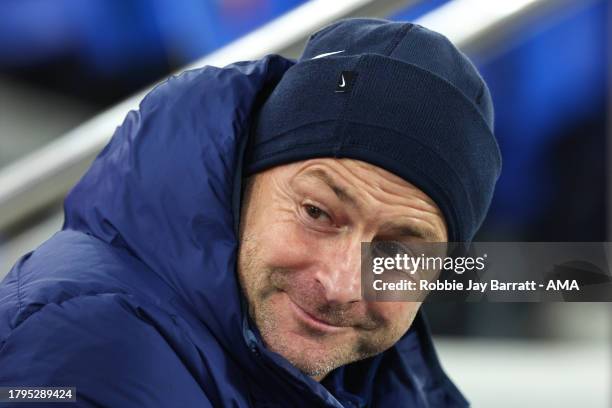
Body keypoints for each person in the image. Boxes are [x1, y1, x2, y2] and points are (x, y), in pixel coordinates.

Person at [0, 18, 501, 407]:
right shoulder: (88, 349)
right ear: (240, 181)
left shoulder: (354, 382)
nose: (341, 283)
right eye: (317, 213)